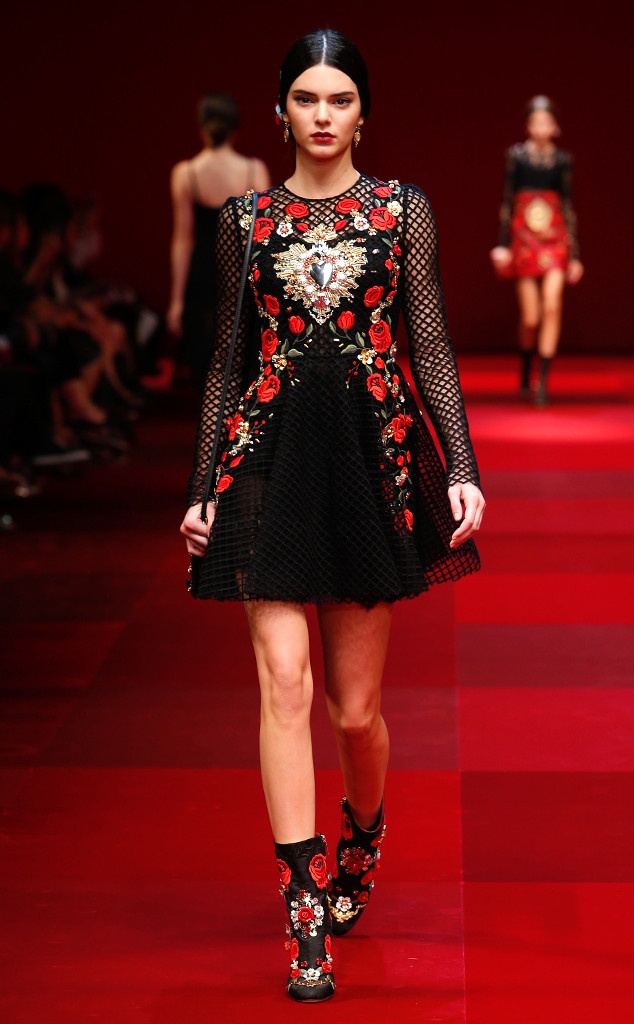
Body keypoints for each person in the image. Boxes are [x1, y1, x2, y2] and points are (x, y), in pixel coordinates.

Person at [180, 28, 485, 1003]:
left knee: (354, 711)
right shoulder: (246, 219)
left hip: (367, 459)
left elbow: (427, 343)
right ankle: (303, 907)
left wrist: (462, 467)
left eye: (339, 98)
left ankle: (364, 831)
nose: (322, 114)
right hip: (265, 459)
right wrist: (202, 486)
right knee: (283, 682)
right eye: (306, 98)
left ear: (362, 112)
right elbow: (227, 360)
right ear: (281, 111)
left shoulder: (401, 210)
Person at [167, 91, 270, 391]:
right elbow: (262, 239)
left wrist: (176, 300)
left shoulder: (185, 173)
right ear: (235, 127)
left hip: (202, 269)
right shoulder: (254, 170)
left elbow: (182, 239)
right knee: (239, 358)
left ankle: (211, 412)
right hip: (239, 269)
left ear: (201, 127)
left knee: (205, 362)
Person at [489, 95, 584, 406]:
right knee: (531, 316)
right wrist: (503, 244)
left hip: (555, 237)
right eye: (536, 121)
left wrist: (575, 255)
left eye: (547, 121)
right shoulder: (516, 157)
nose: (541, 127)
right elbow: (507, 201)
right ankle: (527, 364)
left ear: (555, 126)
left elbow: (568, 205)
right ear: (528, 126)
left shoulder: (563, 160)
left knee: (552, 305)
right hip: (524, 236)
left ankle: (542, 381)